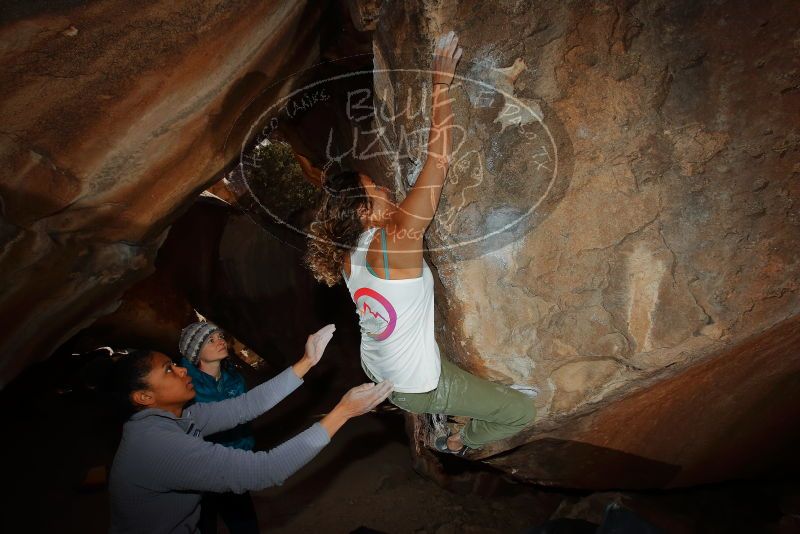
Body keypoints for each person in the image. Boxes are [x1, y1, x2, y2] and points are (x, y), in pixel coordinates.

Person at [305, 31, 535, 455]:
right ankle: (455, 439)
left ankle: (435, 408)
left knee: (431, 369)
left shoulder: (347, 256)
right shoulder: (398, 237)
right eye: (376, 190)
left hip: (381, 369)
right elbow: (438, 161)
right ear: (362, 212)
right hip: (419, 386)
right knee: (521, 411)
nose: (387, 191)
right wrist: (440, 86)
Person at [108, 325, 393, 534]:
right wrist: (344, 411)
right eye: (168, 369)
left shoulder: (183, 417)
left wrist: (306, 361)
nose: (182, 370)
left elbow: (245, 406)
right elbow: (264, 470)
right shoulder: (157, 445)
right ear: (144, 397)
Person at [177, 322, 256, 534]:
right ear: (196, 352)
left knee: (245, 525)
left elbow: (244, 421)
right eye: (210, 340)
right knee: (202, 525)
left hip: (234, 465)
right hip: (200, 473)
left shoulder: (234, 380)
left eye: (220, 336)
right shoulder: (184, 388)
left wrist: (244, 453)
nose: (220, 341)